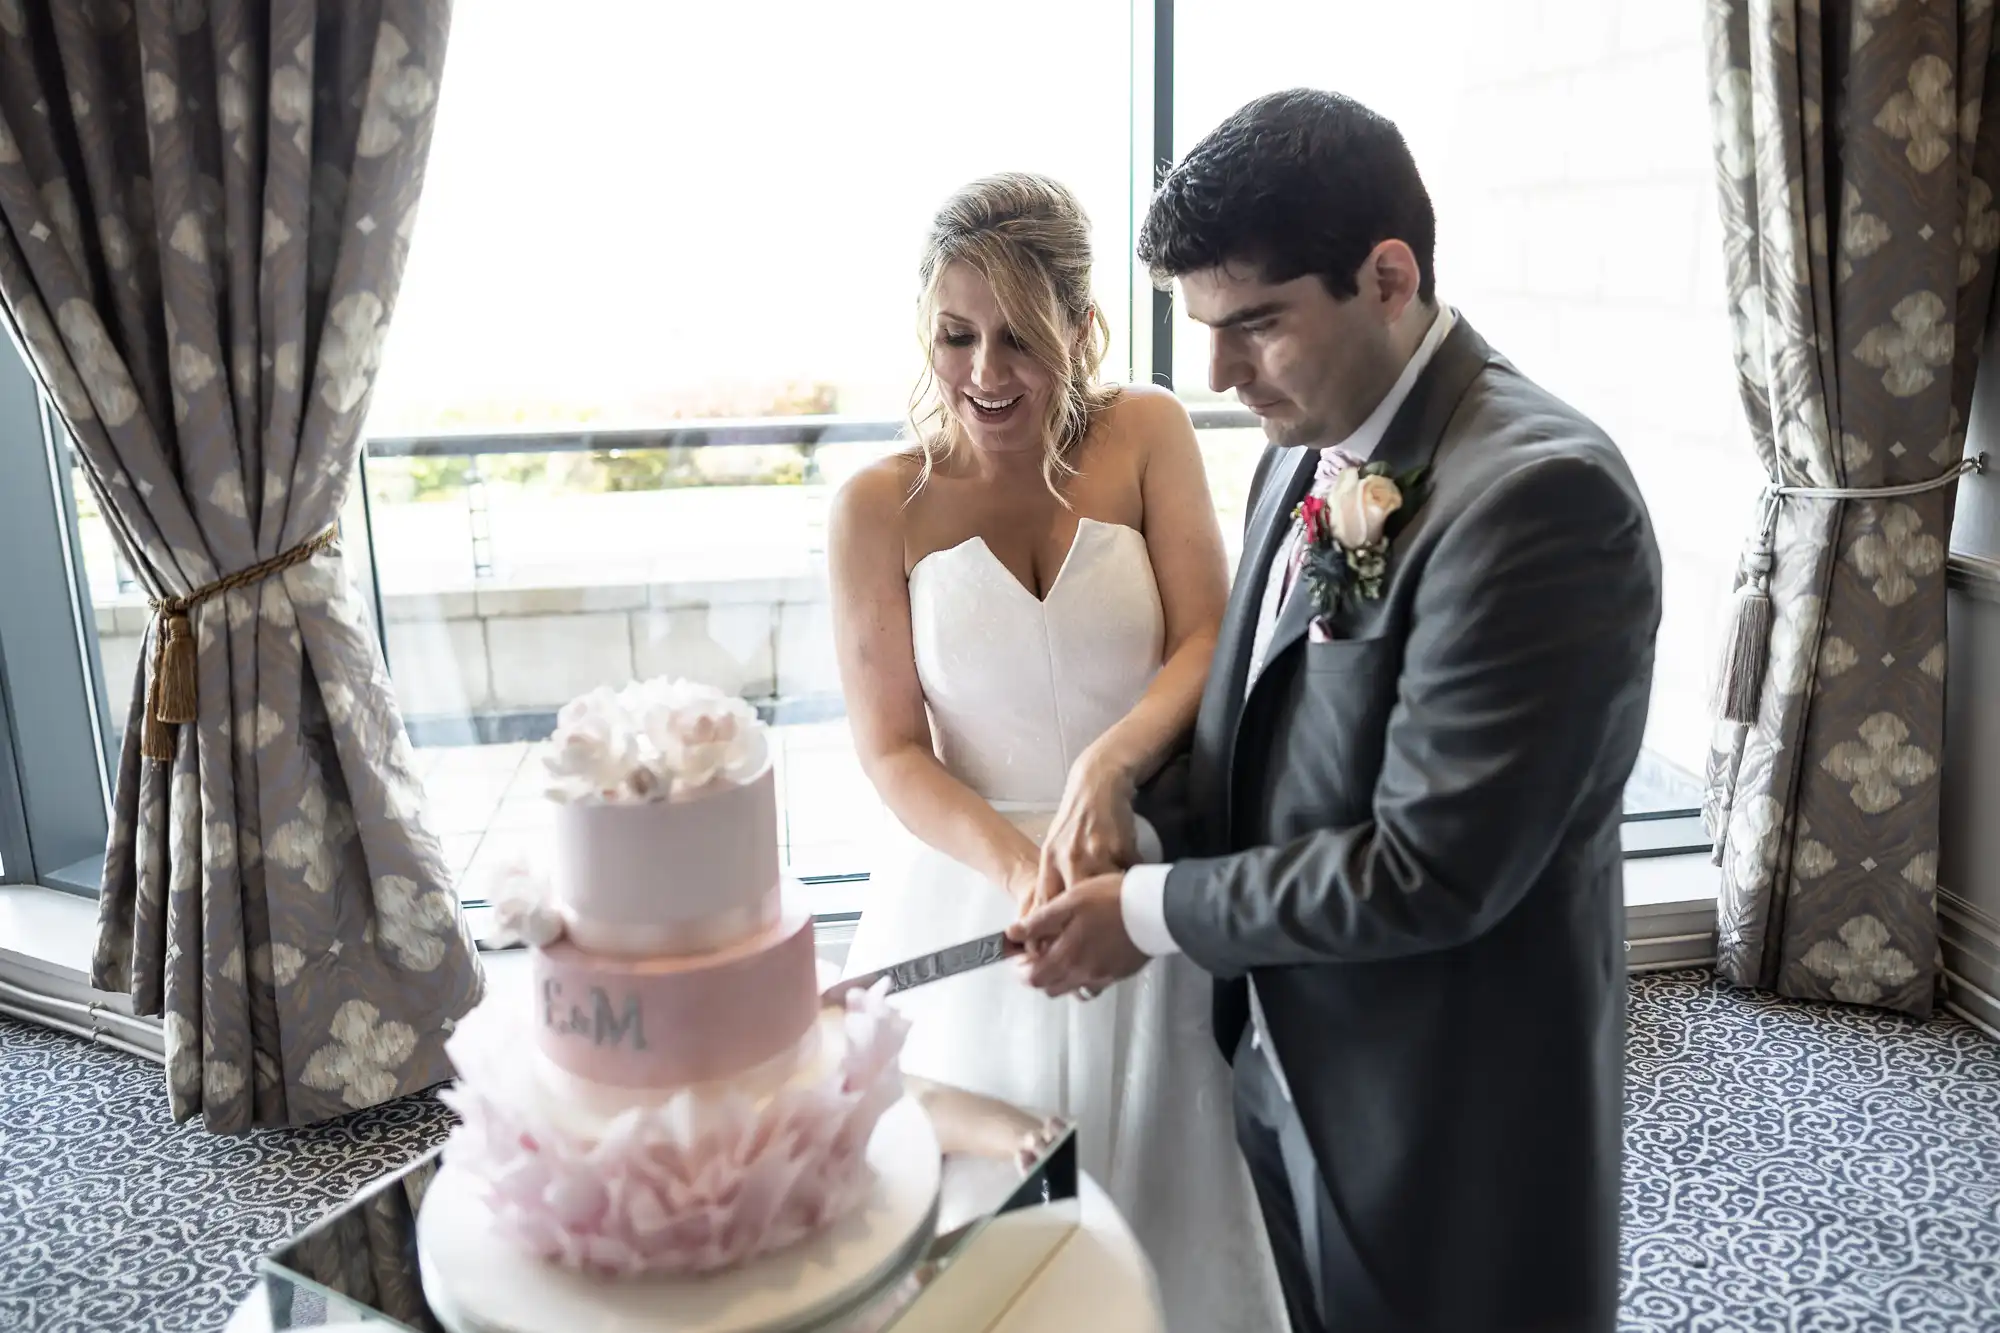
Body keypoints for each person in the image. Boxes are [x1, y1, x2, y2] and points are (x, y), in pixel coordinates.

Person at [1010, 90, 1664, 1333]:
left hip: (1445, 1103)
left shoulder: (1541, 499)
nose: (1215, 372)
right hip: (1284, 1046)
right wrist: (1124, 809)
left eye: (1253, 323)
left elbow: (1429, 870)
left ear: (1385, 275)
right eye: (1202, 328)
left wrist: (1145, 912)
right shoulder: (1295, 451)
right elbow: (1266, 739)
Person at [829, 171, 1286, 1333]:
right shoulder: (877, 504)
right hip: (967, 883)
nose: (985, 373)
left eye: (1020, 340)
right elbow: (889, 747)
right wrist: (1010, 862)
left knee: (1171, 1193)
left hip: (1141, 862)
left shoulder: (1146, 432)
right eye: (955, 335)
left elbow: (1205, 638)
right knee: (987, 1230)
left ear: (1081, 331)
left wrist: (1108, 767)